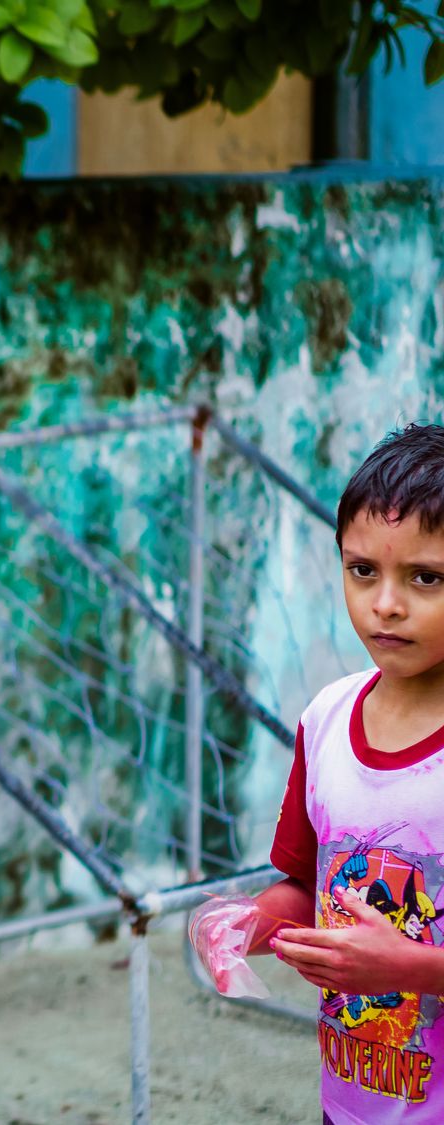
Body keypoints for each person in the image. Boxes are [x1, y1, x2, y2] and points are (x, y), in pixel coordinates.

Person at [194, 423, 444, 1125]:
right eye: (363, 569)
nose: (386, 603)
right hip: (352, 1099)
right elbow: (312, 887)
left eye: (425, 577)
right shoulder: (326, 721)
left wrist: (408, 968)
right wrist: (249, 921)